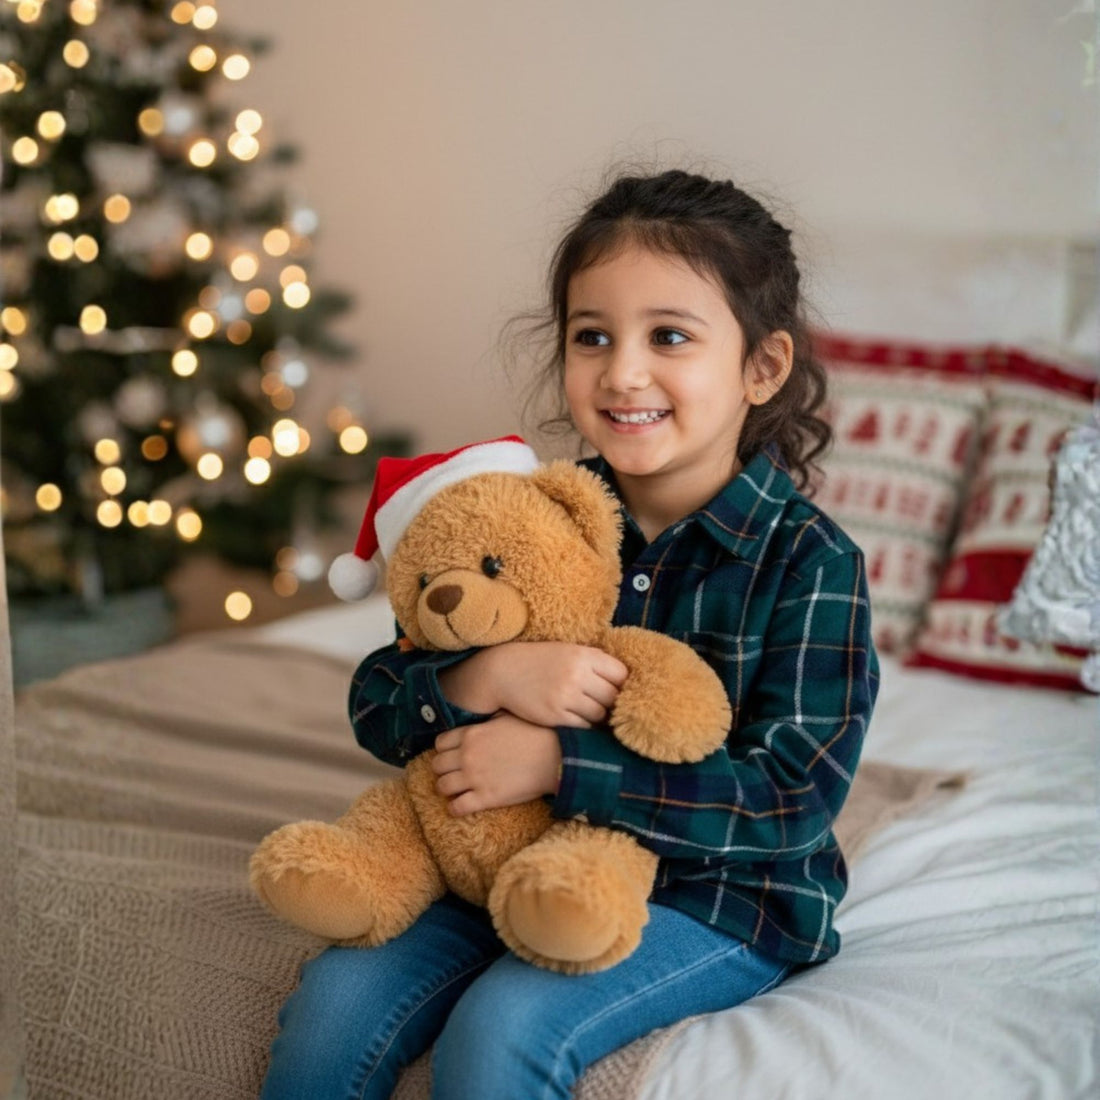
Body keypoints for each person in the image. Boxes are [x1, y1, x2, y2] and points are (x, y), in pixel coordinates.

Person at [259, 168, 879, 1100]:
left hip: (719, 897)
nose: (623, 372)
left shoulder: (808, 564)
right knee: (333, 1007)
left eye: (669, 336)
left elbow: (789, 799)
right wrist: (485, 678)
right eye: (593, 337)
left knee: (501, 1032)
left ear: (763, 366)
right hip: (505, 864)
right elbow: (380, 707)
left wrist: (558, 767)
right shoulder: (528, 521)